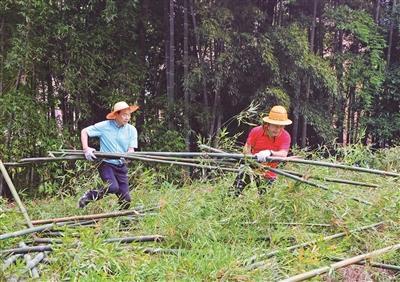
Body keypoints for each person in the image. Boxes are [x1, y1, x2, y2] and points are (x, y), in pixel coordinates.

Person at [78, 101, 139, 209]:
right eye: (124, 115)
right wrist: (86, 149)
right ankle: (88, 196)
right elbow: (85, 131)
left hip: (121, 165)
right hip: (107, 164)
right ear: (116, 115)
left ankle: (122, 222)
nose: (127, 117)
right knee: (112, 187)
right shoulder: (105, 126)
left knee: (126, 200)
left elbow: (131, 149)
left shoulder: (132, 130)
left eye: (128, 115)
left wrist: (129, 156)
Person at [230, 105, 292, 196]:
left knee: (265, 200)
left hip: (269, 171)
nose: (278, 129)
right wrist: (251, 160)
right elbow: (247, 148)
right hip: (252, 167)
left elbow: (283, 154)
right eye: (275, 126)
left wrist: (270, 152)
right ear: (268, 124)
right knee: (234, 192)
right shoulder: (256, 131)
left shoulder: (285, 136)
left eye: (281, 126)